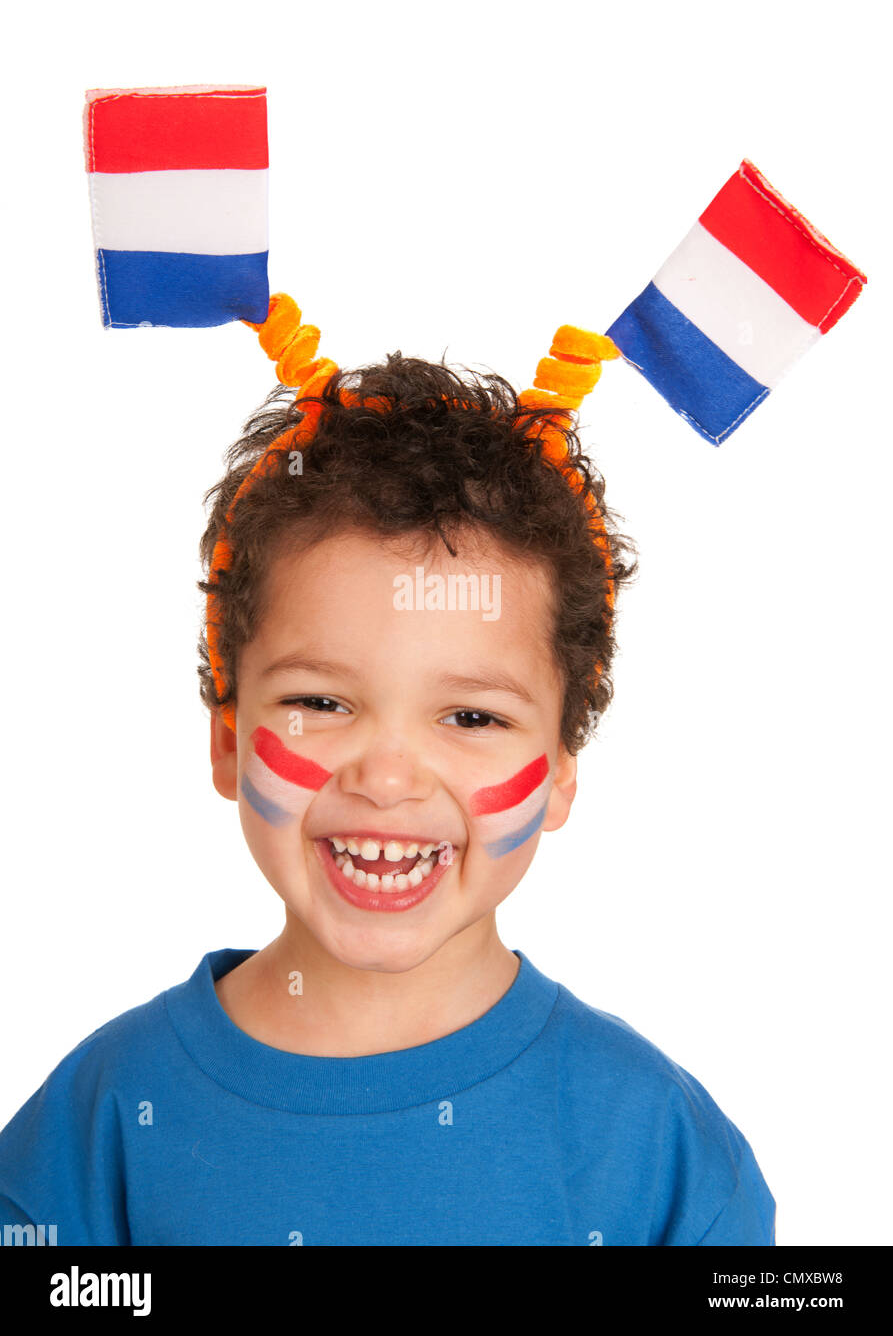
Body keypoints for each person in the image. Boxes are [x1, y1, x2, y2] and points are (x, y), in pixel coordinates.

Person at [0, 299, 775, 1245]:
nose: (390, 775)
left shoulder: (661, 1152)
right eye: (321, 703)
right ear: (227, 740)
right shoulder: (97, 1126)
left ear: (562, 769)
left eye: (472, 716)